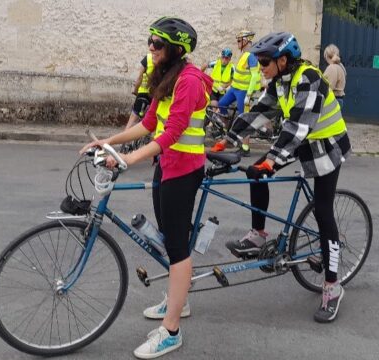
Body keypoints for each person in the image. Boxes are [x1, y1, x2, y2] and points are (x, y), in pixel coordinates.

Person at [80, 16, 212, 359]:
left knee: (178, 246)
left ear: (175, 49)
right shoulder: (166, 78)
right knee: (170, 237)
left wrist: (128, 159)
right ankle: (177, 303)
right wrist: (109, 142)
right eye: (150, 41)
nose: (150, 48)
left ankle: (171, 331)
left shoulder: (189, 82)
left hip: (185, 171)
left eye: (157, 44)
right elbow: (149, 123)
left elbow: (172, 134)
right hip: (167, 168)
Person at [212, 32, 351, 323]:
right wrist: (230, 138)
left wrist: (273, 159)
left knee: (324, 212)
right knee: (255, 172)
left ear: (283, 60)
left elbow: (298, 126)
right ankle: (258, 235)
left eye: (264, 61)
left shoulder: (309, 78)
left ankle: (333, 285)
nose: (259, 66)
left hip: (326, 145)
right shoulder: (280, 81)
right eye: (259, 61)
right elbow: (261, 111)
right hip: (301, 141)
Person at [217, 29, 262, 156]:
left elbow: (254, 76)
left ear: (246, 40)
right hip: (234, 89)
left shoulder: (252, 55)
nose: (237, 42)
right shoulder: (243, 53)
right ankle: (230, 132)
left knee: (244, 118)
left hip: (243, 91)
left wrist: (248, 94)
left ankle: (245, 147)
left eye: (239, 40)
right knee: (221, 104)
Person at [127, 52, 155, 129]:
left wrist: (135, 90)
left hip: (143, 93)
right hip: (155, 96)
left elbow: (140, 78)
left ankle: (124, 139)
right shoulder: (165, 58)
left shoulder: (148, 58)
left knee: (132, 118)